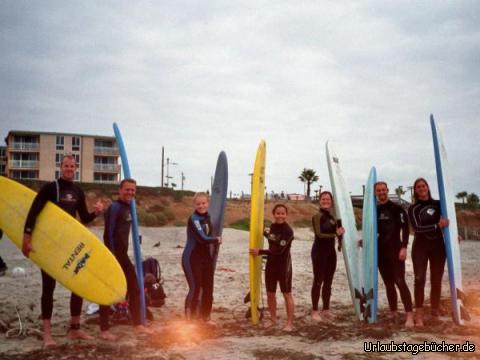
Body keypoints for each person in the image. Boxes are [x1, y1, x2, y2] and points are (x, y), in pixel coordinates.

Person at [22, 155, 104, 347]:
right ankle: (47, 334)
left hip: (69, 244)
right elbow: (33, 211)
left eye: (72, 166)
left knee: (78, 285)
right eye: (66, 165)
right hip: (50, 245)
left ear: (75, 168)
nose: (69, 168)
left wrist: (96, 212)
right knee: (48, 288)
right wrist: (27, 238)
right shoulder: (51, 188)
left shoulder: (77, 191)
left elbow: (84, 218)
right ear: (61, 167)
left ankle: (75, 329)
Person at [99, 178, 152, 340]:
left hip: (123, 255)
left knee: (134, 288)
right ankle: (104, 330)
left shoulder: (130, 207)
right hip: (112, 255)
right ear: (120, 190)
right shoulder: (114, 208)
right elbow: (108, 234)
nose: (130, 192)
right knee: (107, 293)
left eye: (132, 190)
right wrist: (112, 257)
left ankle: (137, 324)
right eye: (127, 190)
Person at [408, 178, 449, 327]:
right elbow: (417, 229)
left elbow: (448, 222)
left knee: (436, 280)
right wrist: (437, 226)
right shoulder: (413, 208)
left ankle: (434, 313)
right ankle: (418, 316)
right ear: (416, 190)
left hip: (438, 247)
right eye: (418, 187)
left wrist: (454, 234)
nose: (421, 188)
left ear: (427, 187)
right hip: (420, 247)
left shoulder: (439, 204)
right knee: (419, 279)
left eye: (423, 186)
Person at [250, 204, 295, 331]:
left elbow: (278, 250)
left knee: (286, 294)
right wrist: (260, 227)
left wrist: (260, 251)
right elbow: (271, 237)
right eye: (278, 213)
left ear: (286, 215)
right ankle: (273, 319)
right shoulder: (273, 227)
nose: (280, 216)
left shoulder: (288, 231)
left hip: (283, 266)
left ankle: (290, 323)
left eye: (282, 213)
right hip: (271, 265)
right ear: (274, 214)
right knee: (270, 293)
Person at [375, 182, 414, 327]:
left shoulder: (397, 209)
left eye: (383, 190)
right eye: (378, 191)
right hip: (381, 252)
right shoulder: (375, 211)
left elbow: (405, 229)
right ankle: (393, 312)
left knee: (400, 281)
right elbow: (373, 231)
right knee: (388, 284)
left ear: (387, 190)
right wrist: (365, 241)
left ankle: (409, 315)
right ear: (375, 193)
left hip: (395, 250)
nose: (381, 193)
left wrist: (404, 247)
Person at [182, 192, 222, 324]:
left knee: (208, 288)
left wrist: (214, 240)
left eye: (203, 203)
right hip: (191, 257)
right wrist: (216, 240)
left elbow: (208, 235)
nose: (201, 206)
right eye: (198, 204)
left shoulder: (207, 217)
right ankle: (190, 319)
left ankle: (205, 317)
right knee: (195, 287)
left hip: (206, 257)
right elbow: (202, 238)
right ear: (194, 205)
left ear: (208, 203)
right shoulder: (194, 219)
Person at [311, 191, 344, 321]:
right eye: (323, 199)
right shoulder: (317, 216)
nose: (326, 201)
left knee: (328, 282)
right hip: (319, 252)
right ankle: (314, 311)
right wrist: (336, 234)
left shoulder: (333, 218)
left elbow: (338, 237)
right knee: (318, 281)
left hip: (331, 253)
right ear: (320, 201)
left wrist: (340, 237)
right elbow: (319, 234)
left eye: (328, 199)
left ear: (331, 202)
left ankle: (326, 309)